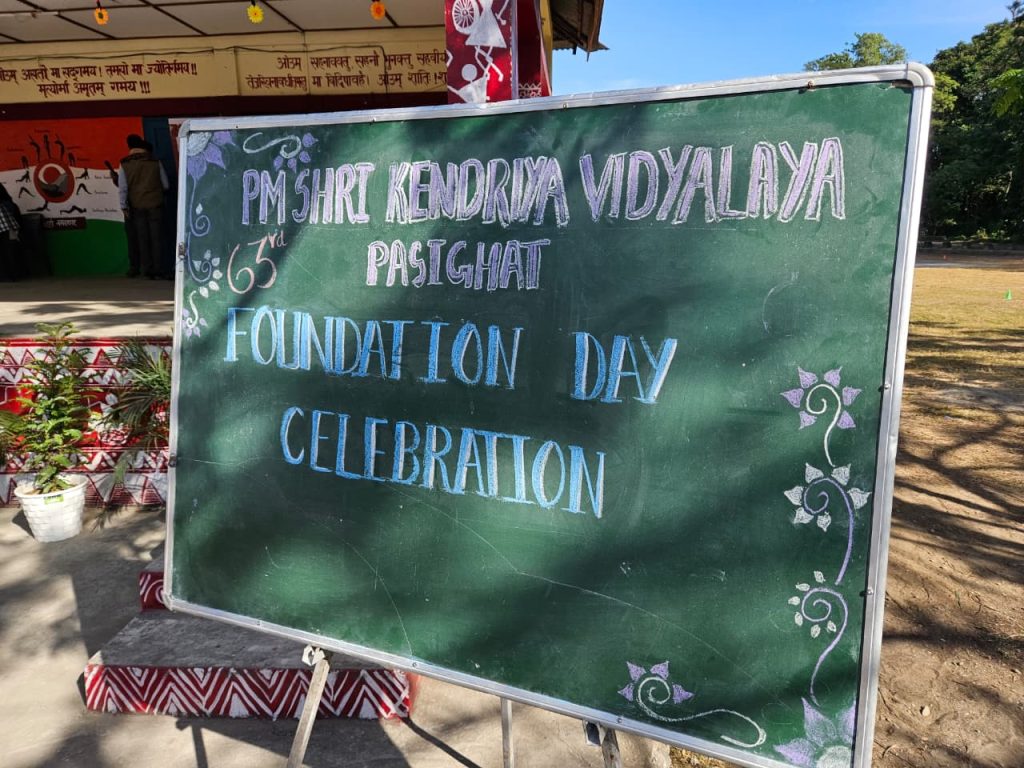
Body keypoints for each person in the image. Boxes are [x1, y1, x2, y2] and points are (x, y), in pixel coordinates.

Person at [119, 134, 168, 279]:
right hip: (156, 204)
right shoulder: (155, 162)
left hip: (137, 206)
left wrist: (123, 206)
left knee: (142, 238)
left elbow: (123, 188)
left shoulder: (125, 164)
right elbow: (166, 184)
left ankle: (147, 269)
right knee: (157, 238)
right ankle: (159, 268)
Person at [0, 183, 22, 282]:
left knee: (8, 251)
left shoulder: (4, 204)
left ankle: (8, 275)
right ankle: (13, 274)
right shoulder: (8, 203)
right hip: (11, 229)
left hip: (8, 229)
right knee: (11, 250)